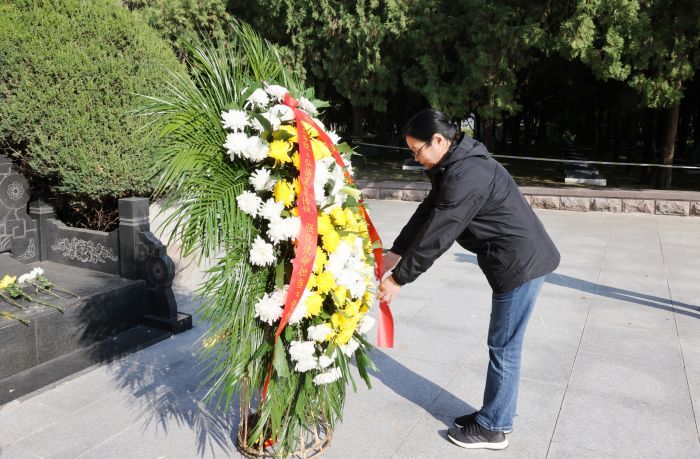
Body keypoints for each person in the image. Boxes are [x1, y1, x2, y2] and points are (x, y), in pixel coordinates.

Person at [378, 109, 560, 450]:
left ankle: (494, 427)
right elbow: (428, 212)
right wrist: (397, 252)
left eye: (417, 151)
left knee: (504, 346)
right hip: (516, 258)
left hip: (519, 263)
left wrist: (399, 279)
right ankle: (494, 414)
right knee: (504, 343)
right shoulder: (454, 164)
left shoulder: (467, 174)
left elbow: (440, 232)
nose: (416, 158)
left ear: (438, 140)